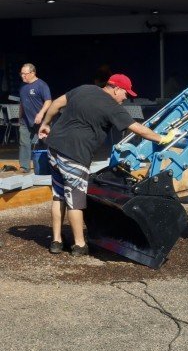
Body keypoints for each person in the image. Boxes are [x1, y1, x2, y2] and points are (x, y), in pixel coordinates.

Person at [38, 74, 175, 257]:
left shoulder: (83, 89)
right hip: (75, 154)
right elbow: (137, 129)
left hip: (54, 149)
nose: (126, 97)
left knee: (59, 195)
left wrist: (46, 124)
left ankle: (56, 241)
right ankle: (79, 245)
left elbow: (55, 104)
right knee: (76, 202)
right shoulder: (111, 106)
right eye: (126, 93)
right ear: (116, 88)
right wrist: (162, 138)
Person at [18, 63, 52, 173]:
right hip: (25, 120)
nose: (23, 76)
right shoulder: (22, 86)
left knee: (45, 142)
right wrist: (20, 116)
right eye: (21, 74)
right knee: (24, 142)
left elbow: (48, 101)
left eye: (25, 74)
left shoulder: (41, 85)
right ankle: (24, 166)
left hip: (41, 121)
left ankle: (52, 164)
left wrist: (41, 113)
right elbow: (22, 103)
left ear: (33, 73)